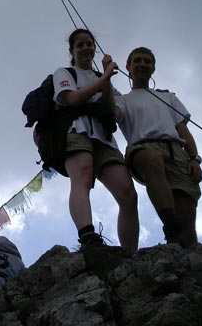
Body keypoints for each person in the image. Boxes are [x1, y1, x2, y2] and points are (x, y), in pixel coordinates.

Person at [53, 29, 138, 253]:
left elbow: (113, 111)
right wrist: (104, 78)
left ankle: (130, 253)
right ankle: (88, 236)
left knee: (128, 193)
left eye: (89, 44)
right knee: (81, 178)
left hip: (104, 137)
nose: (85, 48)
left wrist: (106, 80)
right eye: (79, 45)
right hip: (76, 130)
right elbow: (71, 98)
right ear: (71, 51)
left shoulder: (104, 79)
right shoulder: (64, 73)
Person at [114, 47, 202, 247]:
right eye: (137, 61)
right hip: (142, 148)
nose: (142, 64)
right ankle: (170, 227)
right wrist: (104, 78)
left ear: (153, 67)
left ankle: (184, 246)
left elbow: (183, 131)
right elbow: (113, 114)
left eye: (147, 61)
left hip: (176, 152)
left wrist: (194, 159)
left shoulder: (168, 97)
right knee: (152, 159)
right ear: (127, 67)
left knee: (187, 228)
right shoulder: (122, 100)